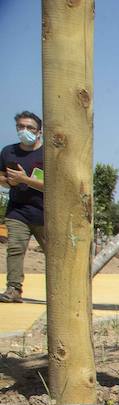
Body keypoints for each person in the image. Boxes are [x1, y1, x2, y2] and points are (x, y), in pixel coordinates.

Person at [1, 112, 44, 303]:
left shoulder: (48, 154)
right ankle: (13, 289)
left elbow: (55, 185)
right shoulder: (8, 152)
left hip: (45, 213)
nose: (24, 131)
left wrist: (24, 179)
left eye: (30, 128)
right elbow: (1, 177)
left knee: (55, 254)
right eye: (21, 127)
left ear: (39, 132)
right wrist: (8, 180)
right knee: (15, 249)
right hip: (18, 210)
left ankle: (62, 291)